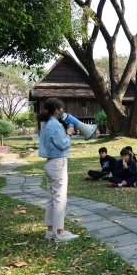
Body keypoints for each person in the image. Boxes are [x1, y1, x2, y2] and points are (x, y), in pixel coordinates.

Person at [38, 97, 79, 243]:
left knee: (51, 198)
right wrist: (68, 133)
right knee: (59, 198)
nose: (62, 111)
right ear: (56, 110)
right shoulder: (55, 125)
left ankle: (50, 231)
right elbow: (63, 144)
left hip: (50, 163)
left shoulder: (47, 123)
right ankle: (60, 233)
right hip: (58, 163)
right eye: (60, 108)